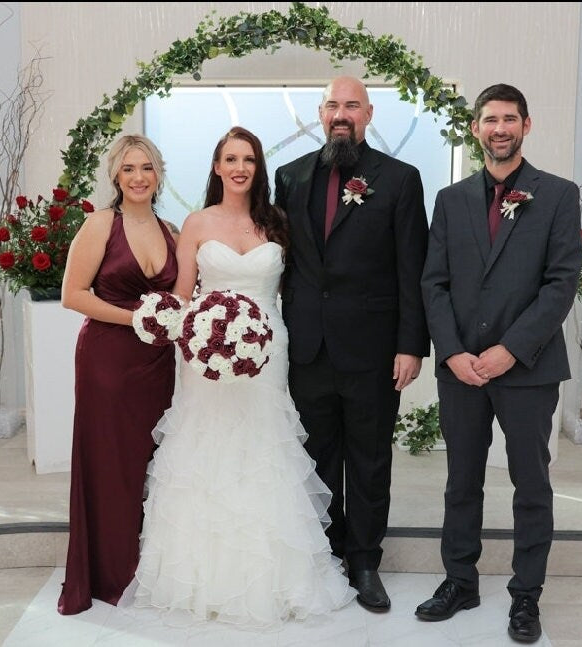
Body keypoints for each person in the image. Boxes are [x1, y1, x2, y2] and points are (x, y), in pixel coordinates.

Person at [120, 126, 355, 627]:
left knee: (264, 448)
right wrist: (178, 325)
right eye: (230, 158)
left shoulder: (277, 224)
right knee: (209, 449)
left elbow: (298, 287)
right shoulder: (197, 222)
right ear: (216, 166)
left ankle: (274, 576)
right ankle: (203, 574)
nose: (239, 167)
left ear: (257, 167)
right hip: (204, 356)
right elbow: (185, 295)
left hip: (270, 351)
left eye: (248, 159)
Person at [417, 84, 582, 643]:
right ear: (475, 128)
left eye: (510, 118)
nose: (500, 128)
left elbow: (562, 284)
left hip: (527, 369)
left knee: (530, 484)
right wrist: (454, 353)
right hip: (462, 370)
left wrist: (510, 349)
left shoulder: (558, 195)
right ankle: (460, 582)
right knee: (461, 481)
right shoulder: (450, 199)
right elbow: (433, 283)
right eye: (490, 119)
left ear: (526, 126)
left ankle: (526, 596)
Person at [274, 75, 430, 611]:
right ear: (320, 114)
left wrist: (411, 345)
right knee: (313, 459)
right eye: (333, 105)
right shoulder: (289, 178)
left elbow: (414, 268)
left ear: (369, 114)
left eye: (352, 105)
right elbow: (283, 263)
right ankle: (321, 556)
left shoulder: (400, 180)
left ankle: (364, 561)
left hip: (373, 351)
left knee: (368, 460)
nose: (342, 113)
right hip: (307, 349)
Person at [57, 134, 179, 615]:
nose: (138, 177)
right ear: (115, 175)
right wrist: (137, 318)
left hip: (157, 367)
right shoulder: (100, 224)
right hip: (107, 361)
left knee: (152, 465)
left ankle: (147, 568)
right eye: (129, 168)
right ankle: (108, 575)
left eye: (147, 168)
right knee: (109, 466)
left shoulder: (171, 229)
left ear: (158, 174)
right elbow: (73, 294)